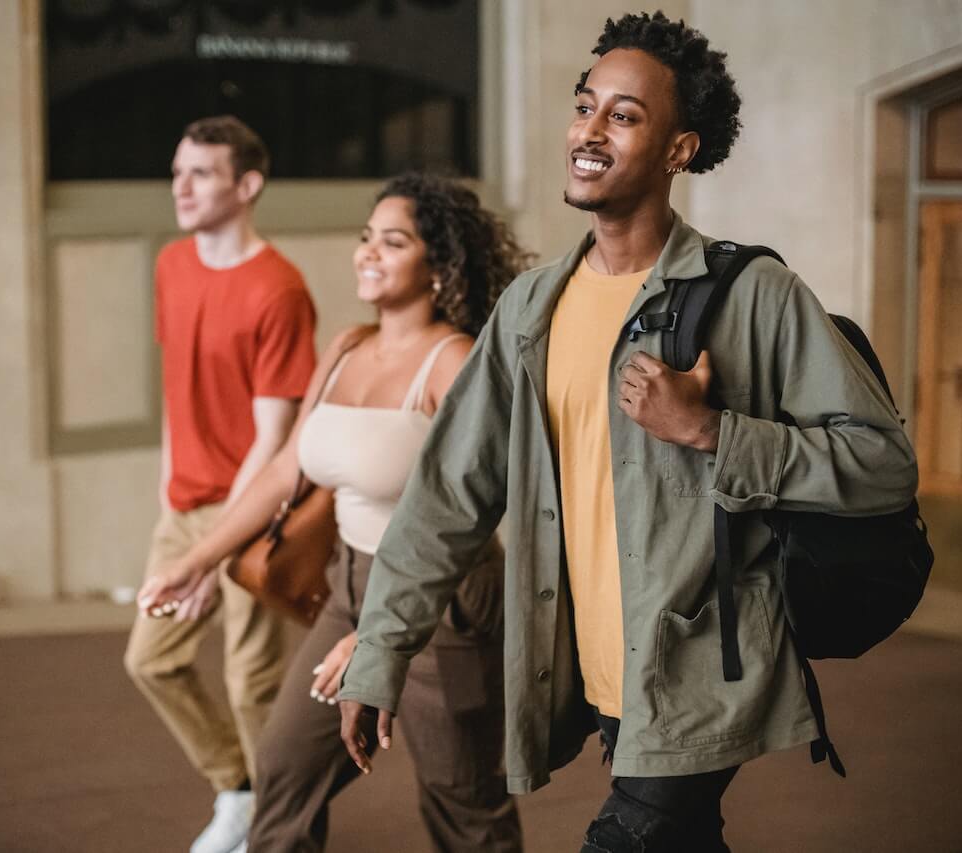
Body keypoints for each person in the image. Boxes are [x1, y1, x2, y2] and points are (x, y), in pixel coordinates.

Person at [337, 12, 919, 853]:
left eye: (624, 114)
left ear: (680, 150)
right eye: (586, 105)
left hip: (702, 667)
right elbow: (447, 495)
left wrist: (714, 430)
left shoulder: (752, 293)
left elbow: (882, 463)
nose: (590, 130)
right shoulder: (531, 309)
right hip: (601, 673)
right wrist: (380, 654)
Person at [139, 172, 531, 852]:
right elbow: (287, 466)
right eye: (365, 238)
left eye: (394, 241)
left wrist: (389, 622)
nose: (368, 253)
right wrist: (197, 559)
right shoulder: (345, 347)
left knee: (462, 805)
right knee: (285, 768)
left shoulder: (454, 364)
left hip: (445, 601)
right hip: (349, 591)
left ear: (439, 265)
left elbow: (476, 508)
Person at [123, 115, 318, 853]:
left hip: (253, 510)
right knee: (151, 658)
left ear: (247, 185)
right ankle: (238, 788)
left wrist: (213, 548)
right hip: (184, 506)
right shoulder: (172, 265)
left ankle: (280, 827)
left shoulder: (280, 289)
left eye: (200, 173)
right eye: (178, 171)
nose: (181, 185)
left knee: (252, 685)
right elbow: (179, 394)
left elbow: (271, 440)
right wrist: (169, 496)